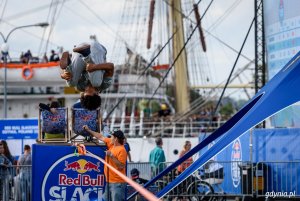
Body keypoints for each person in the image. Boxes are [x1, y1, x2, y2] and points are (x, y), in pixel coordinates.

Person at [60, 38, 114, 110]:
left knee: (71, 84)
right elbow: (111, 66)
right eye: (90, 90)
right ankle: (87, 55)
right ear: (97, 93)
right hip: (97, 49)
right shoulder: (104, 84)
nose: (87, 88)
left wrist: (64, 75)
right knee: (96, 83)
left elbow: (72, 75)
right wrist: (95, 67)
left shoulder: (80, 87)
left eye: (85, 91)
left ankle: (67, 67)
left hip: (79, 51)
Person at [83, 126, 127, 201]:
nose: (110, 138)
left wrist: (111, 156)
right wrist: (88, 130)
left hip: (117, 183)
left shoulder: (122, 150)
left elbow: (121, 166)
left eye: (112, 137)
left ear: (116, 139)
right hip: (109, 181)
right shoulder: (112, 144)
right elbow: (100, 136)